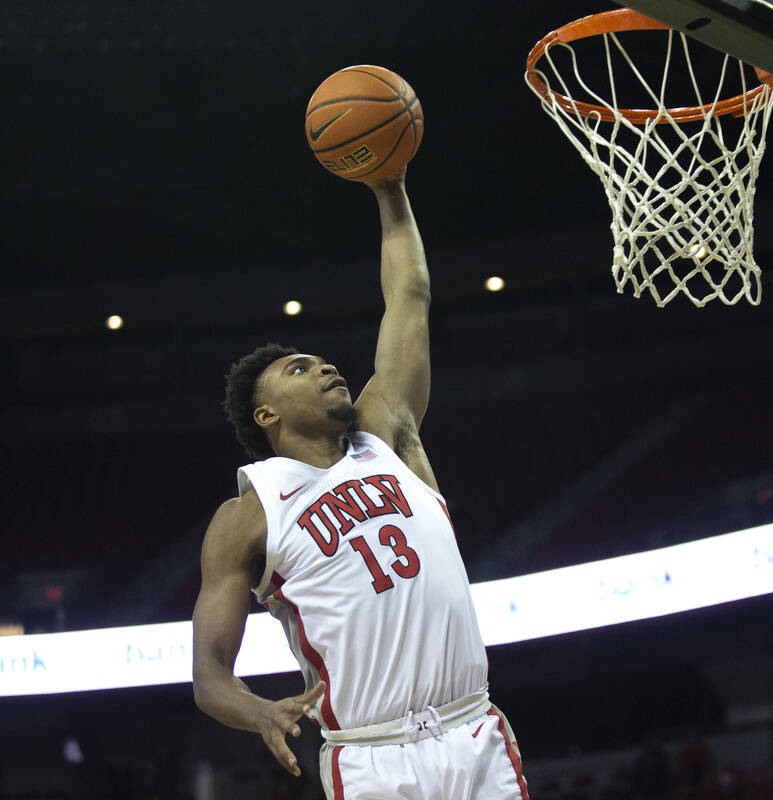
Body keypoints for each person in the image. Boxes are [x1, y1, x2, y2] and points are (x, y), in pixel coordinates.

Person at [191, 170, 529, 800]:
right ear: (268, 416)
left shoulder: (386, 431)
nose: (324, 365)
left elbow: (410, 293)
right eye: (300, 369)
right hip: (373, 756)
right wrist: (257, 710)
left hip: (473, 729)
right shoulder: (248, 513)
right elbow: (209, 676)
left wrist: (390, 188)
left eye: (322, 360)